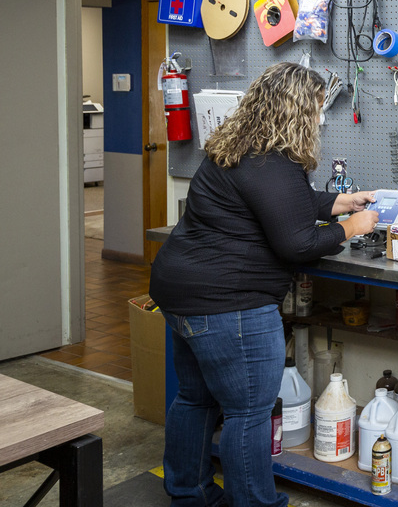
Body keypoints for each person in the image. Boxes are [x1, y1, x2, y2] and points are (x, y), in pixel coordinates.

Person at [149, 62, 379, 507]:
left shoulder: (242, 148)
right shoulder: (273, 163)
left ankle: (188, 492)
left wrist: (338, 202)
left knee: (195, 400)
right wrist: (353, 226)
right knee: (249, 412)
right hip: (228, 306)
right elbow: (297, 242)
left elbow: (287, 201)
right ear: (295, 111)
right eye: (316, 108)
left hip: (181, 294)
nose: (320, 117)